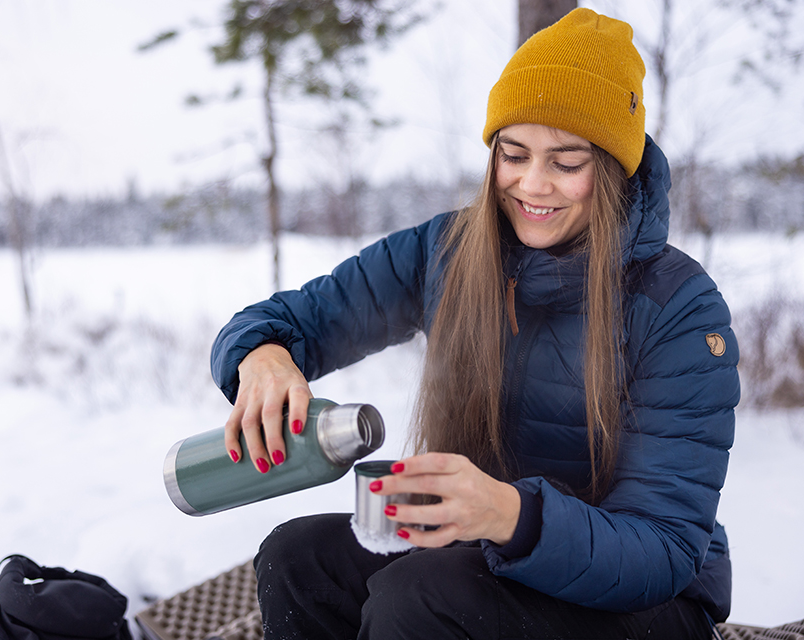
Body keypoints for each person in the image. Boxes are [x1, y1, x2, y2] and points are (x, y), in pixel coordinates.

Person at [211, 7, 739, 639]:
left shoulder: (678, 308)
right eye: (513, 154)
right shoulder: (449, 252)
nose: (532, 185)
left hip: (648, 602)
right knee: (298, 558)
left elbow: (662, 548)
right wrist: (263, 354)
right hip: (483, 553)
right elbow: (287, 319)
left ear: (613, 168)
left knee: (420, 597)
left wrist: (512, 514)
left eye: (565, 162)